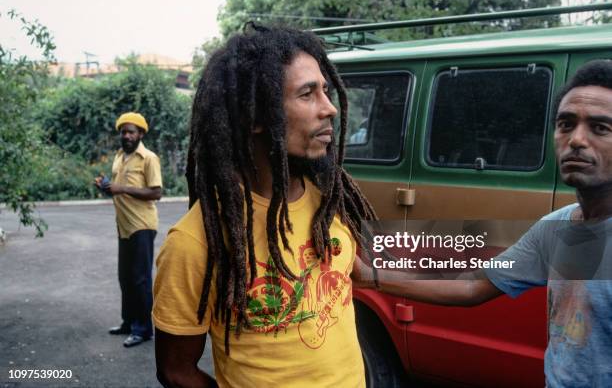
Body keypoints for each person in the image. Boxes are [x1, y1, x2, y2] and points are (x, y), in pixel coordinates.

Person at [354, 59, 612, 387]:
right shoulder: (556, 226)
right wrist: (368, 276)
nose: (576, 139)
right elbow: (473, 285)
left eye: (600, 128)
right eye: (565, 124)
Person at [152, 25, 376, 387]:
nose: (330, 108)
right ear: (255, 116)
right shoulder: (194, 243)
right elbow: (175, 371)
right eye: (307, 94)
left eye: (325, 91)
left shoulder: (328, 202)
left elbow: (358, 273)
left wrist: (481, 277)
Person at [96, 111, 162, 348]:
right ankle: (128, 322)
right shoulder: (119, 157)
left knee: (140, 279)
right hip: (123, 227)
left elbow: (156, 192)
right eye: (123, 131)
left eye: (131, 131)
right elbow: (118, 187)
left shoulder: (149, 158)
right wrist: (107, 187)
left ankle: (143, 329)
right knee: (125, 278)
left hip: (142, 226)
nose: (126, 135)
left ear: (141, 134)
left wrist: (120, 189)